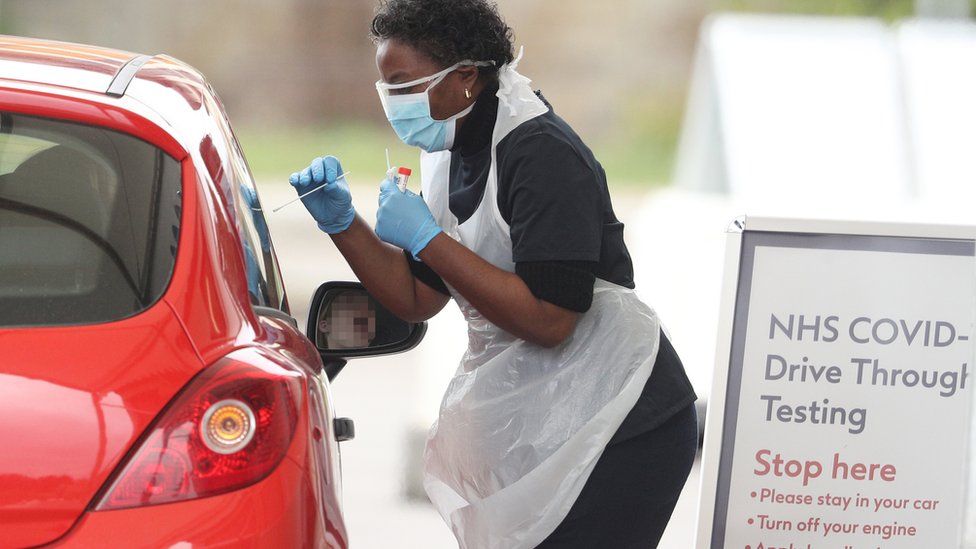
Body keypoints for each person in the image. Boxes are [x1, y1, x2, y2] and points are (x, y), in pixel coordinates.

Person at [289, 1, 698, 547]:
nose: (391, 102)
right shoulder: (449, 146)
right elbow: (416, 298)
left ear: (464, 78)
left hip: (624, 418)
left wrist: (430, 240)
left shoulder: (542, 154)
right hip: (550, 409)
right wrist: (342, 223)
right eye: (386, 85)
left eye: (404, 84)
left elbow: (552, 320)